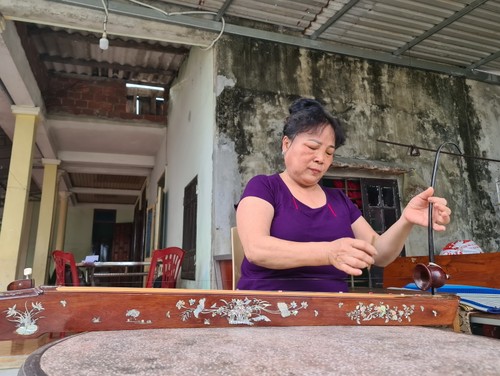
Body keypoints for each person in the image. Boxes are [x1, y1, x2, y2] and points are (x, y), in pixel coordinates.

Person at [235, 97, 452, 292]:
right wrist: (329, 253)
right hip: (268, 307)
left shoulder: (338, 200)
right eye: (312, 147)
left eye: (329, 152)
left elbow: (378, 253)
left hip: (332, 310)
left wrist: (406, 219)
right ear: (286, 143)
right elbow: (257, 249)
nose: (321, 158)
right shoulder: (264, 187)